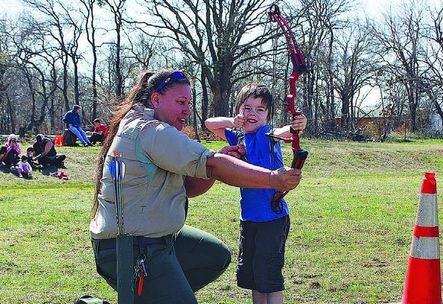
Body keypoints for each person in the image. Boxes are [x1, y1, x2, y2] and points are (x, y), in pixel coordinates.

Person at [90, 69, 302, 304]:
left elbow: (190, 187)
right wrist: (273, 178)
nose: (186, 110)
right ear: (156, 99)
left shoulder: (152, 127)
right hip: (130, 248)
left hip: (155, 239)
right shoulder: (151, 131)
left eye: (189, 103)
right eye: (180, 102)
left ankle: (155, 295)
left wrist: (218, 160)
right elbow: (213, 165)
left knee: (214, 256)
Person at [205, 83, 307, 304]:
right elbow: (209, 124)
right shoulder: (237, 137)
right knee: (254, 276)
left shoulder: (265, 133)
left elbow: (284, 133)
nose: (253, 113)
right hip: (249, 218)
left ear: (268, 116)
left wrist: (296, 127)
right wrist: (233, 122)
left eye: (260, 109)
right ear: (238, 110)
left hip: (272, 218)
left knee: (269, 277)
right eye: (247, 108)